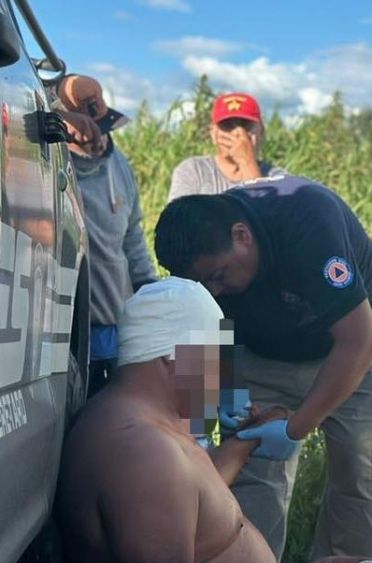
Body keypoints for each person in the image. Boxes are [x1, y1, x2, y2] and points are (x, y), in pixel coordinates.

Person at [154, 175, 372, 561]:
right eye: (205, 285)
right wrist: (220, 394)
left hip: (354, 344)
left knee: (360, 473)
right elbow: (196, 340)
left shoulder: (306, 217)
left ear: (242, 235)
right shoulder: (203, 264)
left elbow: (360, 341)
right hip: (264, 353)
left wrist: (295, 426)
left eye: (218, 277)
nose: (215, 291)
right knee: (252, 471)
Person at [56, 277, 284, 563]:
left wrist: (245, 441)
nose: (225, 379)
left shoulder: (150, 428)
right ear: (172, 356)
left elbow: (192, 493)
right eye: (216, 358)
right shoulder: (141, 454)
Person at [55, 74, 158, 396]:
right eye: (87, 130)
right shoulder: (50, 160)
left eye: (103, 128)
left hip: (113, 326)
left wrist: (147, 287)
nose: (97, 139)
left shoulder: (120, 166)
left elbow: (132, 237)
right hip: (61, 333)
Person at [168, 92, 286, 201]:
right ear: (213, 134)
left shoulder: (278, 178)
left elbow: (267, 217)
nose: (237, 134)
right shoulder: (193, 170)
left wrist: (247, 162)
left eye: (246, 125)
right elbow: (178, 220)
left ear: (262, 131)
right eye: (227, 125)